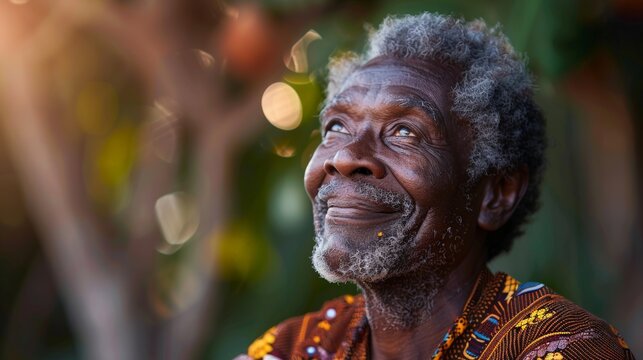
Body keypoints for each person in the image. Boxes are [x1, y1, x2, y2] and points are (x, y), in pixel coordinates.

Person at [239, 12, 635, 360]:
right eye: (337, 127)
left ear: (497, 194)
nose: (344, 157)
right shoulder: (297, 347)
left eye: (404, 132)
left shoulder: (563, 348)